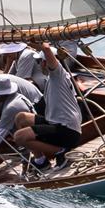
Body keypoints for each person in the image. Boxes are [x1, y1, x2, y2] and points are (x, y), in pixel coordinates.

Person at [13, 42, 82, 170]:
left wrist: (28, 40)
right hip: (56, 123)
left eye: (39, 62)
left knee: (19, 137)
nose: (38, 66)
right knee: (21, 118)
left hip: (67, 130)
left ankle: (61, 151)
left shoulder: (58, 75)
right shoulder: (51, 79)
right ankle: (41, 161)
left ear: (46, 62)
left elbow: (46, 49)